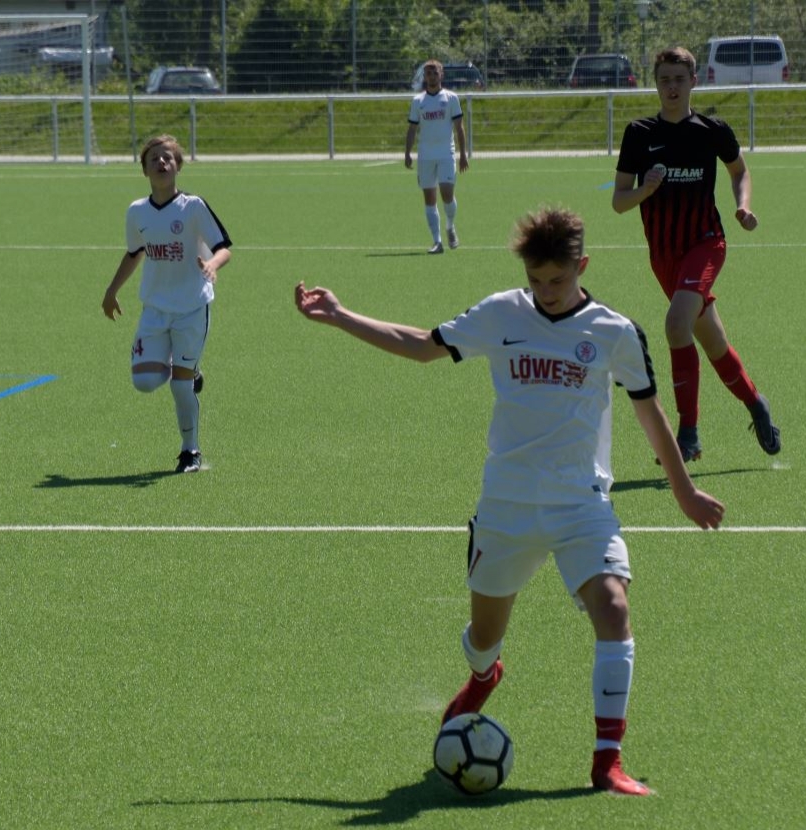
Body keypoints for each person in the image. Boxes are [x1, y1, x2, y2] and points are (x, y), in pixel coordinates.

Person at [294, 206, 725, 795]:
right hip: (507, 505)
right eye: (536, 280)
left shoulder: (615, 331)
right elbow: (421, 346)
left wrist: (684, 491)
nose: (546, 291)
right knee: (483, 639)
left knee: (613, 610)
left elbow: (650, 414)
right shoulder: (502, 313)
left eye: (558, 279)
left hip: (581, 505)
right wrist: (340, 315)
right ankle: (483, 675)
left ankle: (607, 762)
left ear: (583, 266)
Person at [612, 46, 780, 463]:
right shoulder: (639, 133)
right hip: (663, 257)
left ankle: (688, 435)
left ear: (693, 82)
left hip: (706, 244)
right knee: (712, 341)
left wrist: (742, 205)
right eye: (664, 79)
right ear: (656, 83)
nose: (672, 87)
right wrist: (645, 190)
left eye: (679, 79)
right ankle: (756, 402)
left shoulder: (711, 130)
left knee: (675, 324)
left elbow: (739, 170)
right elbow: (619, 201)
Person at [101, 134, 232, 474]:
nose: (161, 162)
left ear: (178, 166)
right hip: (155, 311)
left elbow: (224, 248)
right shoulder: (137, 212)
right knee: (144, 382)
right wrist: (112, 290)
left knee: (179, 384)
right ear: (144, 169)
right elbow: (135, 253)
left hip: (192, 307)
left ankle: (190, 451)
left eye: (168, 158)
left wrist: (212, 265)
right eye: (154, 158)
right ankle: (191, 369)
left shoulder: (193, 207)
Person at [405, 59, 469, 255]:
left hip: (446, 154)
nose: (431, 76)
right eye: (428, 73)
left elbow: (459, 128)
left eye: (435, 73)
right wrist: (407, 153)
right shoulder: (418, 101)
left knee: (447, 195)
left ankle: (450, 226)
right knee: (429, 199)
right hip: (425, 156)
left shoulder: (451, 98)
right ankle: (437, 241)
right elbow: (412, 129)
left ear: (441, 75)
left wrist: (463, 154)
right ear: (424, 77)